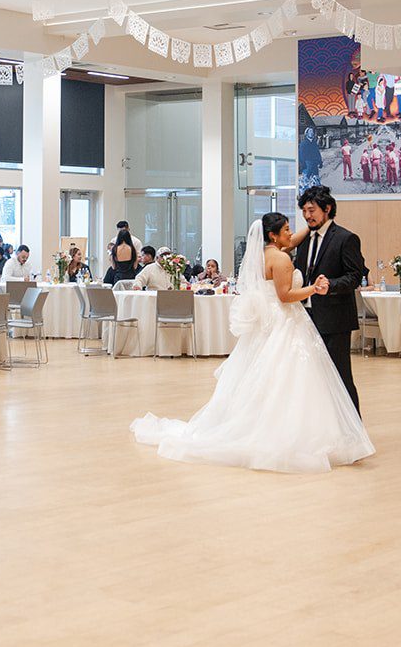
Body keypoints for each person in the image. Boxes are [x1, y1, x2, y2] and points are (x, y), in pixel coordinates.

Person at [132, 213, 374, 473]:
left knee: (266, 377)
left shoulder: (260, 257)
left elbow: (288, 253)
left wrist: (316, 223)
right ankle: (289, 432)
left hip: (268, 325)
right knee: (291, 378)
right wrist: (314, 288)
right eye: (286, 229)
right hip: (286, 321)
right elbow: (285, 296)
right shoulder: (281, 259)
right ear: (273, 235)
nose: (290, 234)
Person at [291, 185, 366, 411]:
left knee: (340, 375)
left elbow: (355, 276)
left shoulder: (346, 238)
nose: (307, 215)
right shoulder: (304, 240)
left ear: (327, 209)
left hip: (335, 320)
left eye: (311, 210)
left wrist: (331, 285)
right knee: (310, 376)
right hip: (306, 317)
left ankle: (354, 430)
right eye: (304, 210)